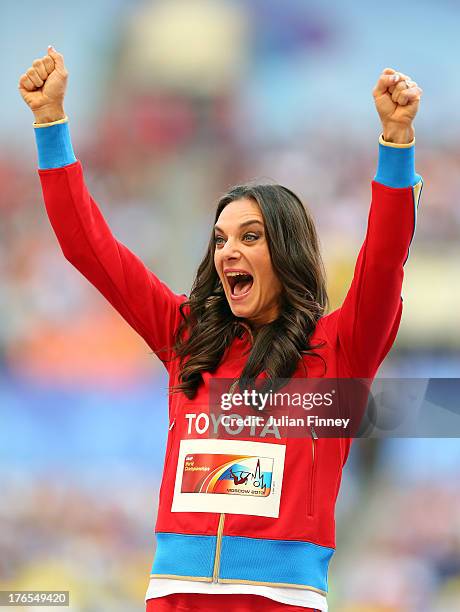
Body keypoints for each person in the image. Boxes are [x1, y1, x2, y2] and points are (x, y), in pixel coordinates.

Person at [19, 46, 423, 612]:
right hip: (173, 596)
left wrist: (396, 145)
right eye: (220, 239)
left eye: (250, 237)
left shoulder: (341, 347)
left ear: (286, 252)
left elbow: (383, 260)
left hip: (280, 599)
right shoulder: (185, 337)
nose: (229, 250)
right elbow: (87, 247)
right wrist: (50, 124)